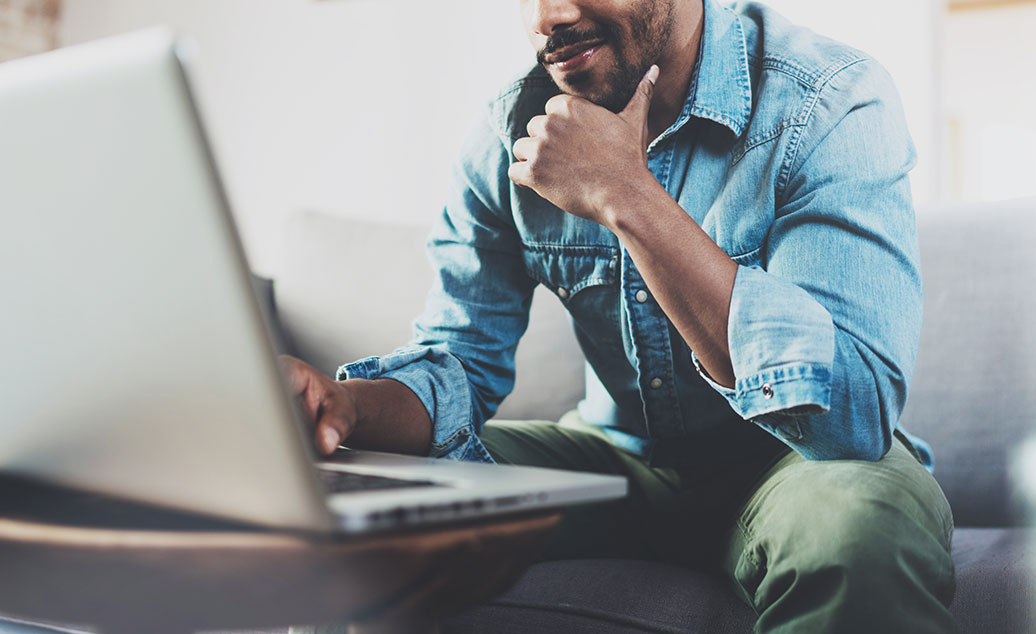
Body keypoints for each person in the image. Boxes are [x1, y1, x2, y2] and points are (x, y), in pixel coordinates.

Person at [281, 0, 956, 631]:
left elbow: (853, 415)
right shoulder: (508, 132)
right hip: (613, 459)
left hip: (796, 461)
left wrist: (625, 194)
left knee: (860, 528)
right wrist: (343, 406)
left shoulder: (827, 100)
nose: (552, 16)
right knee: (358, 502)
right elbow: (460, 361)